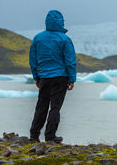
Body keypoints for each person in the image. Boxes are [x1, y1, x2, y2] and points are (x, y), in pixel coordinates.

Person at [29, 10, 77, 143]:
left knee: (41, 105)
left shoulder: (38, 38)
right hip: (60, 77)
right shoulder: (65, 39)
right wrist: (72, 79)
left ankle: (34, 135)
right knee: (55, 107)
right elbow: (70, 60)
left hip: (44, 77)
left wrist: (36, 77)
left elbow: (33, 59)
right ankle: (50, 136)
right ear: (60, 22)